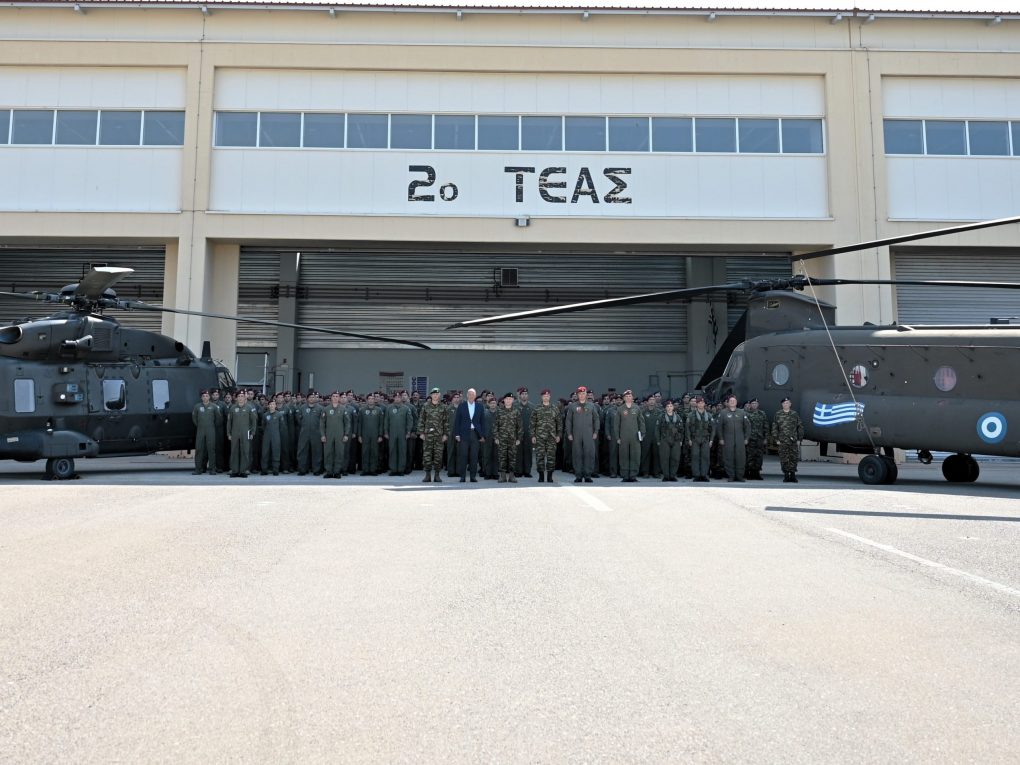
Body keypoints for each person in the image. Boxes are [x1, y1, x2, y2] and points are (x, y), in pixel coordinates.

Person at [565, 385, 599, 483]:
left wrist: (596, 431)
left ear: (586, 394)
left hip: (589, 433)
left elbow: (596, 419)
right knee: (577, 454)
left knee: (589, 453)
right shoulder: (573, 406)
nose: (582, 395)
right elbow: (568, 421)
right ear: (577, 395)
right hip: (576, 434)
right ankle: (578, 475)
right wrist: (569, 433)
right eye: (580, 394)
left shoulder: (591, 406)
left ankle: (588, 475)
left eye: (583, 393)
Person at [453, 387, 486, 482]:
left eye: (473, 394)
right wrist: (457, 434)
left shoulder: (480, 406)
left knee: (474, 456)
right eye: (469, 394)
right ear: (467, 395)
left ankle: (473, 477)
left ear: (475, 396)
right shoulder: (461, 406)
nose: (471, 396)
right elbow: (457, 421)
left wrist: (482, 435)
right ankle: (462, 476)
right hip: (464, 434)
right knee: (463, 456)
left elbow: (482, 422)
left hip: (475, 434)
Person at [530, 388, 562, 483]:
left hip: (552, 437)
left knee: (551, 457)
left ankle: (549, 476)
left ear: (550, 397)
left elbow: (559, 423)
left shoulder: (554, 408)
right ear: (542, 397)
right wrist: (533, 435)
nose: (546, 397)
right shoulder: (537, 408)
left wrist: (558, 435)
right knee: (539, 456)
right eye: (544, 396)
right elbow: (532, 423)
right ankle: (541, 476)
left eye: (547, 396)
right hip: (539, 437)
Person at [613, 389, 644, 482]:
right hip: (624, 437)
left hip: (635, 437)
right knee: (624, 456)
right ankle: (625, 475)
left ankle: (633, 475)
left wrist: (642, 434)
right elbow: (616, 425)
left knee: (635, 455)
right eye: (626, 396)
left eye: (630, 396)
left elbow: (641, 422)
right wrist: (617, 437)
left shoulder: (637, 408)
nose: (628, 397)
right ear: (624, 398)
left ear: (632, 397)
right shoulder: (620, 409)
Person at [418, 387, 449, 483]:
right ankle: (427, 475)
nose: (435, 396)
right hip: (428, 435)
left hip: (439, 435)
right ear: (431, 395)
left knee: (438, 456)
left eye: (437, 394)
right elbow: (421, 420)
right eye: (434, 394)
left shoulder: (443, 407)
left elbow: (446, 422)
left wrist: (445, 434)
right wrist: (421, 432)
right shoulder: (425, 406)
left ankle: (437, 475)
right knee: (427, 455)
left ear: (439, 395)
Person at [717, 394, 749, 482]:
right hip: (728, 439)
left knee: (740, 457)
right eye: (730, 401)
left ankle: (739, 476)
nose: (732, 402)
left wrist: (746, 438)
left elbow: (747, 426)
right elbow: (719, 427)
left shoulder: (742, 412)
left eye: (734, 401)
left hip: (740, 439)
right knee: (728, 457)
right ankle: (731, 475)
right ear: (728, 403)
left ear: (736, 402)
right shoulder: (723, 413)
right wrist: (721, 438)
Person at [772, 397, 805, 482]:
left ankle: (793, 475)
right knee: (784, 458)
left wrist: (799, 439)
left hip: (793, 441)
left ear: (790, 404)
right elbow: (775, 427)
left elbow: (800, 426)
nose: (786, 404)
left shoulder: (794, 414)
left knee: (793, 457)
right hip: (782, 441)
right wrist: (776, 439)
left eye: (787, 403)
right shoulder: (778, 414)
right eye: (784, 403)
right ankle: (786, 475)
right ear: (782, 404)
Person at [321, 391, 351, 479]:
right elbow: (322, 424)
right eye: (333, 396)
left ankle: (337, 471)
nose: (335, 398)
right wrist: (322, 435)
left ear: (339, 398)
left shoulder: (343, 409)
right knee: (328, 453)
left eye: (337, 396)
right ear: (331, 398)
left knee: (339, 453)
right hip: (328, 435)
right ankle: (329, 471)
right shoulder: (326, 409)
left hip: (340, 435)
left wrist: (346, 434)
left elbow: (347, 423)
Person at [226, 390, 257, 478]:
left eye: (242, 396)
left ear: (245, 398)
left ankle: (243, 471)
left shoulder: (249, 408)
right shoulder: (232, 408)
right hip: (235, 433)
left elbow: (253, 421)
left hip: (245, 433)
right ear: (236, 398)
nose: (240, 398)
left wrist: (252, 432)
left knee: (245, 451)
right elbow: (229, 422)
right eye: (239, 396)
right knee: (234, 451)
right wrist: (229, 433)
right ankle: (235, 470)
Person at [494, 391, 523, 483]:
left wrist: (519, 438)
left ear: (513, 400)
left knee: (512, 457)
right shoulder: (499, 411)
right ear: (504, 400)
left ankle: (511, 476)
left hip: (513, 439)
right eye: (507, 399)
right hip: (501, 439)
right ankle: (502, 476)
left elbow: (520, 426)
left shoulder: (516, 411)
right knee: (502, 457)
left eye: (510, 399)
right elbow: (495, 426)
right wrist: (496, 437)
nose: (508, 400)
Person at [384, 393, 415, 476]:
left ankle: (401, 469)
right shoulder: (389, 408)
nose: (397, 398)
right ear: (393, 398)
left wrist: (408, 432)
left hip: (403, 433)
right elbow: (386, 420)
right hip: (392, 432)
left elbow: (410, 421)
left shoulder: (406, 408)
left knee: (402, 451)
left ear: (401, 398)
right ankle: (393, 469)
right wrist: (386, 432)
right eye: (396, 397)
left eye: (399, 397)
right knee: (392, 450)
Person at [686, 395, 715, 482]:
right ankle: (697, 475)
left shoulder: (709, 415)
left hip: (705, 439)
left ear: (704, 404)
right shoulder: (691, 415)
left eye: (702, 403)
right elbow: (687, 428)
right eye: (699, 403)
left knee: (705, 456)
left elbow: (713, 429)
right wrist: (689, 439)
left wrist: (711, 440)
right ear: (697, 404)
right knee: (695, 456)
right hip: (695, 439)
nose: (701, 404)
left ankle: (704, 474)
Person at [191, 389, 220, 474]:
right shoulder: (197, 406)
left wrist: (212, 426)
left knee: (211, 449)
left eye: (207, 396)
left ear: (209, 397)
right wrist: (200, 425)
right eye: (203, 396)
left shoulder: (214, 406)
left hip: (211, 430)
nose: (205, 397)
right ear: (201, 397)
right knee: (199, 449)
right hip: (200, 430)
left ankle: (212, 469)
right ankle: (198, 469)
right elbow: (194, 418)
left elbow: (218, 419)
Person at [296, 391, 324, 475]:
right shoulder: (302, 408)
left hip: (316, 433)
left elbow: (323, 421)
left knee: (317, 451)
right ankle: (302, 469)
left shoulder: (320, 408)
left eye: (313, 397)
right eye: (310, 397)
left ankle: (316, 470)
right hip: (304, 433)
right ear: (307, 399)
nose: (312, 398)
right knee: (302, 451)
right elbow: (299, 419)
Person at [656, 399, 685, 482]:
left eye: (671, 406)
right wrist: (658, 440)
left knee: (675, 458)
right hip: (664, 439)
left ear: (673, 407)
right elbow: (657, 429)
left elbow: (681, 429)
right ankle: (666, 476)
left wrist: (681, 440)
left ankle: (672, 475)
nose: (669, 408)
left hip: (676, 440)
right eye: (667, 406)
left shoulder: (678, 417)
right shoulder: (661, 417)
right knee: (664, 458)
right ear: (665, 408)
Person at [359, 393, 385, 476]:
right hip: (365, 434)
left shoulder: (378, 410)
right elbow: (359, 423)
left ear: (374, 400)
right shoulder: (362, 410)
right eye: (369, 398)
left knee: (374, 452)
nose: (371, 400)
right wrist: (359, 435)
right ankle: (365, 470)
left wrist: (380, 435)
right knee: (365, 452)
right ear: (367, 400)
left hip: (375, 434)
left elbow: (381, 424)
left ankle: (373, 469)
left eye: (372, 398)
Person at [744, 398, 769, 480]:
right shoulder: (746, 414)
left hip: (759, 438)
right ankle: (750, 472)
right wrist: (745, 438)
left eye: (756, 403)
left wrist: (766, 438)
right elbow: (744, 427)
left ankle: (757, 472)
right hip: (750, 438)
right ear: (750, 405)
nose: (754, 405)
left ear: (758, 405)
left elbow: (766, 426)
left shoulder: (762, 414)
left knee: (759, 456)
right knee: (750, 456)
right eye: (753, 403)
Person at [514, 387, 535, 478]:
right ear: (520, 395)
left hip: (528, 433)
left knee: (528, 452)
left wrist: (534, 434)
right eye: (522, 394)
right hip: (517, 433)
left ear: (528, 395)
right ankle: (518, 471)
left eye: (526, 394)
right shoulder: (515, 406)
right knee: (518, 452)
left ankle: (527, 471)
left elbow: (535, 421)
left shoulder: (532, 407)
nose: (524, 396)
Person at [260, 398, 283, 475]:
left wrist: (277, 433)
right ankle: (264, 469)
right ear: (268, 406)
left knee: (276, 452)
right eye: (270, 404)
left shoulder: (279, 414)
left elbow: (281, 426)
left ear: (275, 405)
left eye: (273, 404)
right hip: (266, 436)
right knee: (265, 452)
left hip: (276, 436)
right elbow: (263, 425)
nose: (272, 405)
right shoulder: (265, 415)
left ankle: (275, 469)